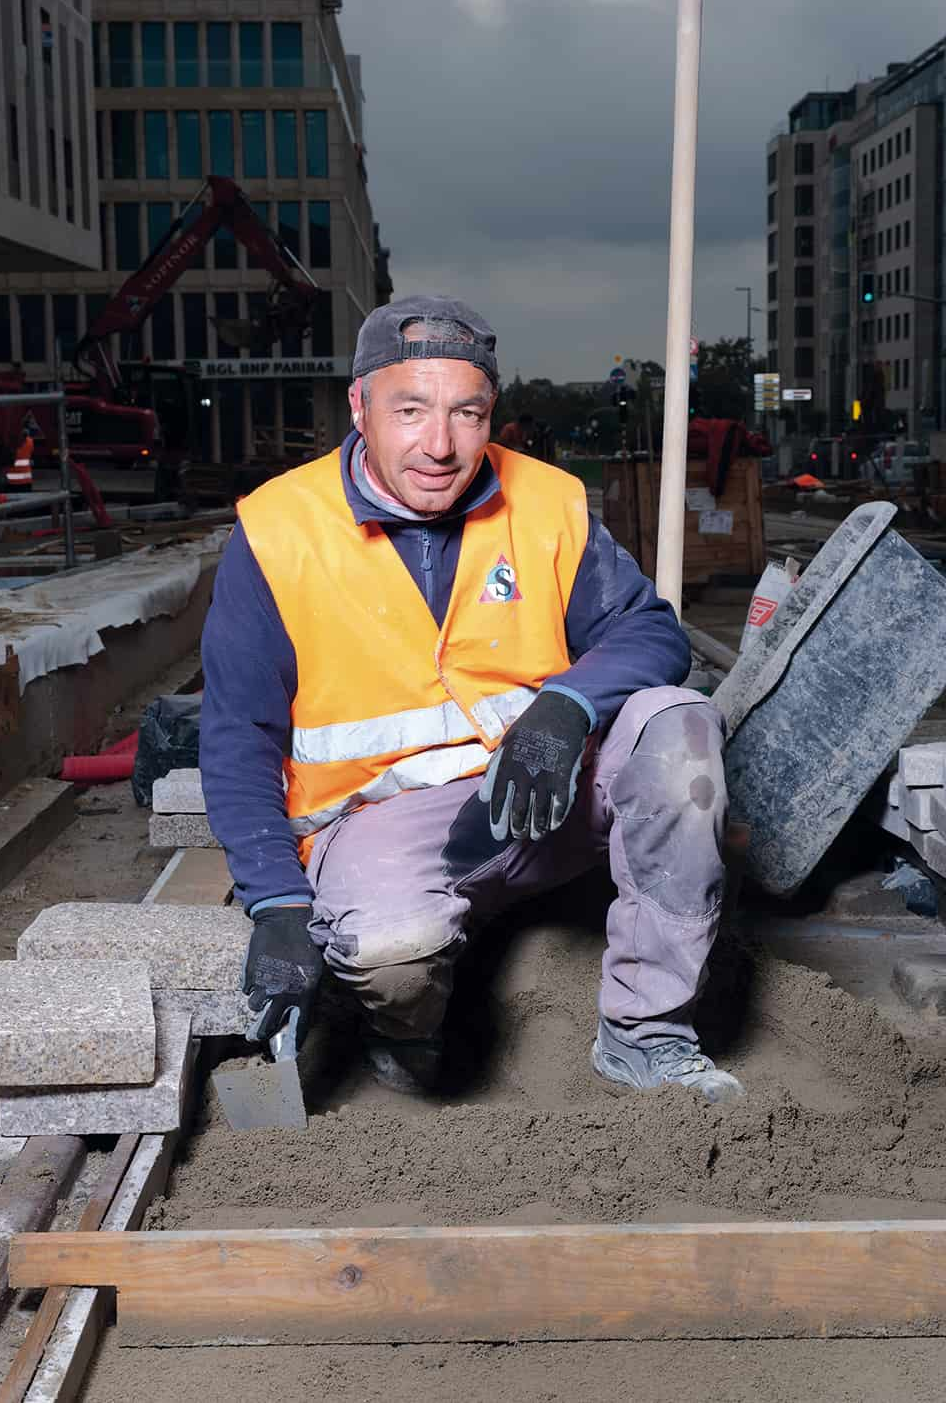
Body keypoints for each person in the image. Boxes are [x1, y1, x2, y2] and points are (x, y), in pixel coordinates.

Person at [200, 296, 742, 1104]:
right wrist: (275, 899)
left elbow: (651, 633)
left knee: (680, 728)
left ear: (492, 413)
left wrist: (568, 707)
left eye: (467, 413)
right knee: (392, 949)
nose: (440, 445)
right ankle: (405, 1034)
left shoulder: (547, 503)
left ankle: (646, 1033)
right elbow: (238, 735)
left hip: (544, 795)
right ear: (360, 406)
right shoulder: (280, 534)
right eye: (410, 410)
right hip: (383, 825)